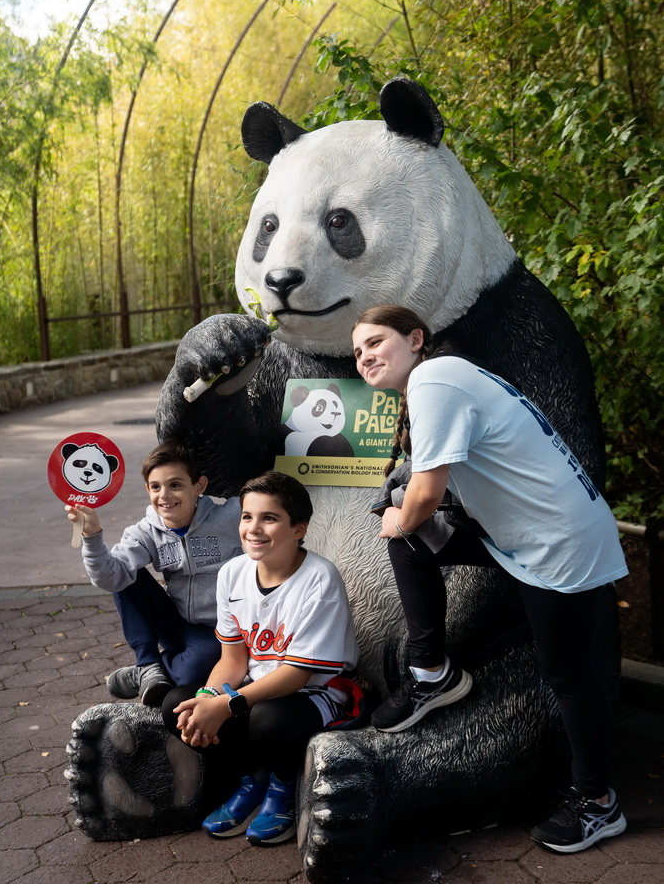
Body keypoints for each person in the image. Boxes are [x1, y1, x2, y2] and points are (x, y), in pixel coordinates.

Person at [351, 304, 629, 854]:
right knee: (409, 536)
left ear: (415, 338)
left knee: (567, 675)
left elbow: (426, 498)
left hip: (557, 544)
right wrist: (403, 502)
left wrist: (397, 513)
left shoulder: (434, 379)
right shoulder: (444, 377)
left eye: (376, 342)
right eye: (358, 352)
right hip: (520, 539)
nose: (365, 357)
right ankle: (431, 673)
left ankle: (599, 804)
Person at [161, 470, 359, 846]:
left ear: (298, 528)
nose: (254, 528)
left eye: (269, 518)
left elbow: (297, 675)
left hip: (318, 694)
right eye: (247, 517)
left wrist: (227, 704)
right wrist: (207, 699)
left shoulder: (320, 578)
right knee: (178, 706)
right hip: (256, 689)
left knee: (265, 719)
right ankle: (251, 779)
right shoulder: (233, 574)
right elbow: (233, 661)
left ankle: (284, 786)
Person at [65, 439, 243, 705]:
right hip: (175, 621)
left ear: (200, 486)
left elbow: (272, 504)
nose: (165, 495)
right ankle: (147, 663)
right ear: (148, 489)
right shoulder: (145, 532)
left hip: (221, 630)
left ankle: (149, 672)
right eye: (156, 487)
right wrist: (92, 536)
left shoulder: (232, 517)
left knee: (191, 675)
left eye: (176, 485)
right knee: (123, 573)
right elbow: (108, 577)